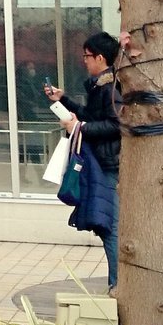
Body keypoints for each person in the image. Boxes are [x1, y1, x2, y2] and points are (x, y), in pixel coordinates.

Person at [45, 31, 123, 295]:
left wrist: (79, 126)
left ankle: (117, 284)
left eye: (87, 56)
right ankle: (116, 282)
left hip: (107, 164)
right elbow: (92, 115)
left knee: (108, 224)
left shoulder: (110, 87)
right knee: (105, 224)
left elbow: (115, 124)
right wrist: (64, 100)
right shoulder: (100, 85)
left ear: (100, 58)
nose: (84, 61)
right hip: (101, 162)